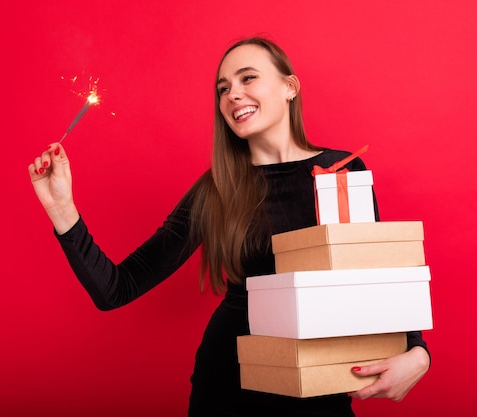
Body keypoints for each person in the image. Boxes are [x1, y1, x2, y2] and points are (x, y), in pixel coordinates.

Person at [28, 37, 430, 417]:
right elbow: (116, 288)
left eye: (247, 78)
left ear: (289, 87)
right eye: (223, 88)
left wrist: (417, 351)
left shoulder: (343, 171)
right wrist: (62, 209)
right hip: (230, 388)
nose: (232, 94)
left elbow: (380, 280)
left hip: (322, 384)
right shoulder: (217, 190)